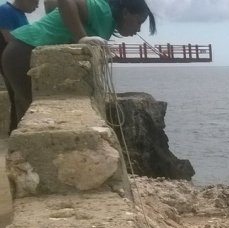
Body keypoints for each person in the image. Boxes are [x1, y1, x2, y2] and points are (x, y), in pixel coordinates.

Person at [0, 0, 155, 131]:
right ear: (126, 12)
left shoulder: (108, 22)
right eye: (139, 22)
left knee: (26, 114)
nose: (138, 29)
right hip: (23, 53)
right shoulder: (102, 9)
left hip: (20, 52)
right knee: (36, 117)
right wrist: (81, 37)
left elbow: (51, 4)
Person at [0, 0, 38, 131]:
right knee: (17, 96)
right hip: (11, 61)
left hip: (18, 60)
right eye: (36, 2)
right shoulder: (5, 10)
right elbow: (9, 38)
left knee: (20, 97)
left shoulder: (20, 13)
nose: (37, 5)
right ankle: (17, 131)